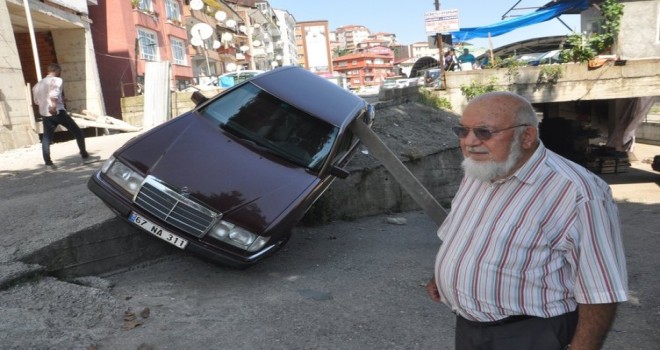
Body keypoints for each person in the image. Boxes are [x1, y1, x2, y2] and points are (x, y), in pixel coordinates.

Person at [426, 91, 628, 350]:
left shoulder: (579, 193)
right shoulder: (478, 170)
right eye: (462, 131)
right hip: (469, 328)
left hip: (531, 334)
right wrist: (443, 275)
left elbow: (602, 288)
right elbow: (460, 231)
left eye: (484, 132)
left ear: (527, 136)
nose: (469, 142)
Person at [32, 63, 98, 169]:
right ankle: (85, 156)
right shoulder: (57, 80)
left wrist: (59, 100)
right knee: (78, 132)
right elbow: (54, 93)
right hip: (57, 112)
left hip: (45, 114)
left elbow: (37, 101)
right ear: (57, 71)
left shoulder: (37, 85)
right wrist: (53, 105)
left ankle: (48, 164)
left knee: (46, 139)